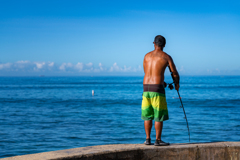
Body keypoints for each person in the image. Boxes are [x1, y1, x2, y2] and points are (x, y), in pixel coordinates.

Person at [141, 35, 180, 146]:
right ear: (164, 45)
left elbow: (147, 71)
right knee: (158, 115)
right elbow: (174, 73)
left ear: (154, 43)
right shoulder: (166, 57)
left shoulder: (146, 56)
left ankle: (147, 139)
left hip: (146, 88)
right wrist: (177, 84)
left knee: (147, 115)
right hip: (157, 89)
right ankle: (158, 140)